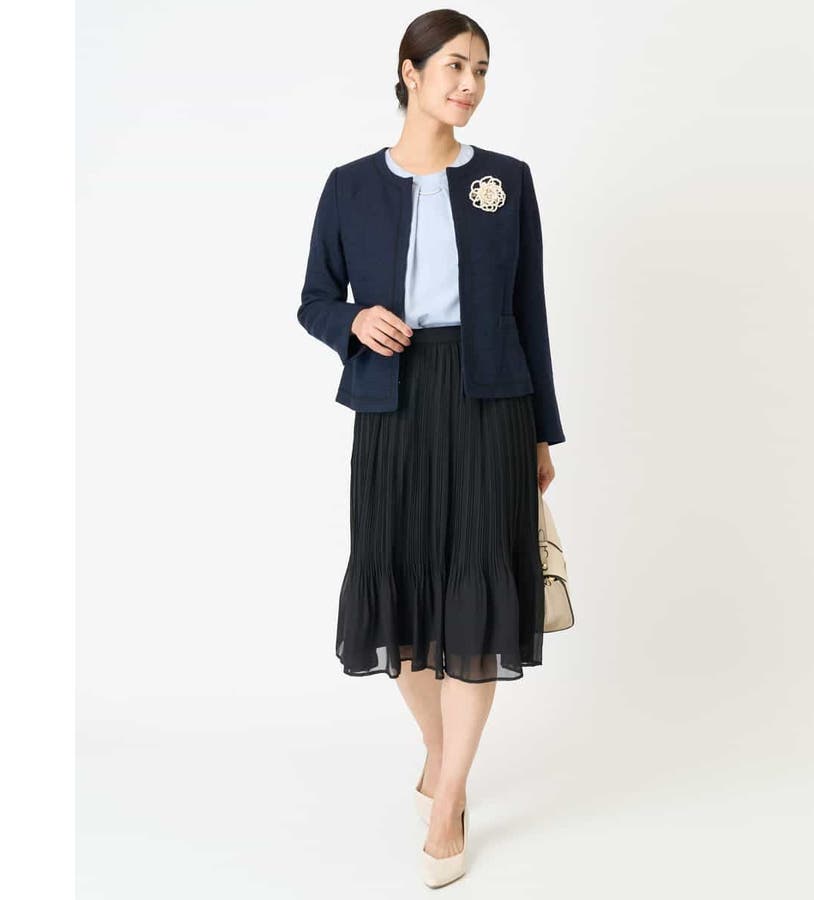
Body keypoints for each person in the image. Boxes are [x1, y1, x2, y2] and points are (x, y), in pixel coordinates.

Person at [296, 10, 565, 888]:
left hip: (491, 401)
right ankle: (440, 750)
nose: (470, 85)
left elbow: (529, 311)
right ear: (409, 71)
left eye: (482, 69)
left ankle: (447, 800)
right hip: (395, 398)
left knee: (479, 590)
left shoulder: (506, 180)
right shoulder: (349, 186)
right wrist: (352, 321)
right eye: (454, 66)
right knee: (396, 586)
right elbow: (312, 299)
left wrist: (542, 430)